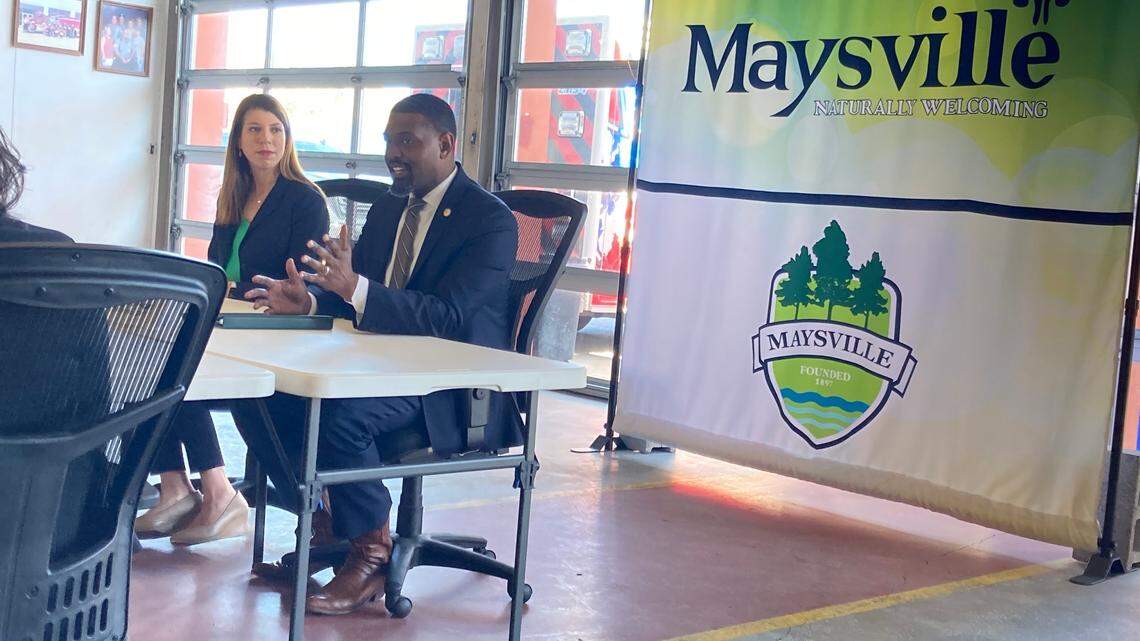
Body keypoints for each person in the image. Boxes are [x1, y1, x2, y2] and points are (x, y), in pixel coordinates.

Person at [243, 94, 522, 615]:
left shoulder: (490, 221)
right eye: (389, 141)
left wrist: (355, 290)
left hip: (450, 381)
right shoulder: (392, 204)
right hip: (379, 364)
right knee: (258, 394)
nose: (394, 153)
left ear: (445, 144)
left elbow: (449, 318)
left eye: (407, 141)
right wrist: (308, 300)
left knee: (340, 416)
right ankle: (327, 517)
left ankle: (371, 551)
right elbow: (356, 290)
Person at [134, 94, 329, 546]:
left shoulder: (305, 200)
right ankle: (175, 486)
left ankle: (218, 491)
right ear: (238, 142)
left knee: (186, 365)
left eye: (276, 129)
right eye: (255, 130)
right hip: (234, 319)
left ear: (288, 138)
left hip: (278, 329)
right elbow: (219, 271)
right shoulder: (234, 198)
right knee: (155, 361)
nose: (267, 139)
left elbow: (303, 284)